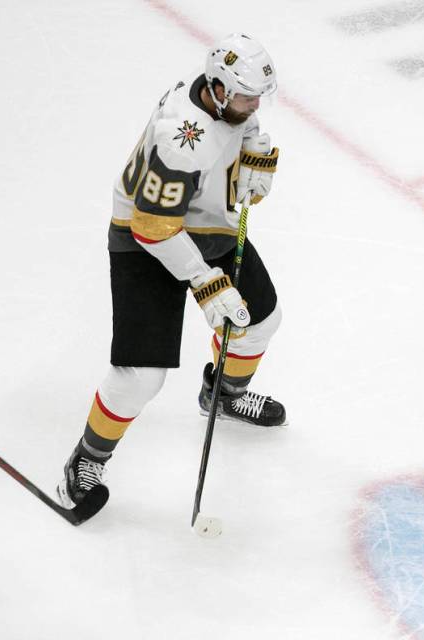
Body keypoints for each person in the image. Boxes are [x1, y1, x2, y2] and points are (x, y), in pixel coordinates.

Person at [56, 34, 287, 511]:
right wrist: (205, 282)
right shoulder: (182, 139)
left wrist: (252, 151)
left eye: (257, 97)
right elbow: (153, 227)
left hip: (205, 221)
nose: (253, 104)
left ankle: (222, 396)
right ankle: (86, 458)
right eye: (245, 97)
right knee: (140, 376)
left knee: (260, 323)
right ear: (219, 89)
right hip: (144, 238)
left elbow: (241, 124)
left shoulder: (221, 99)